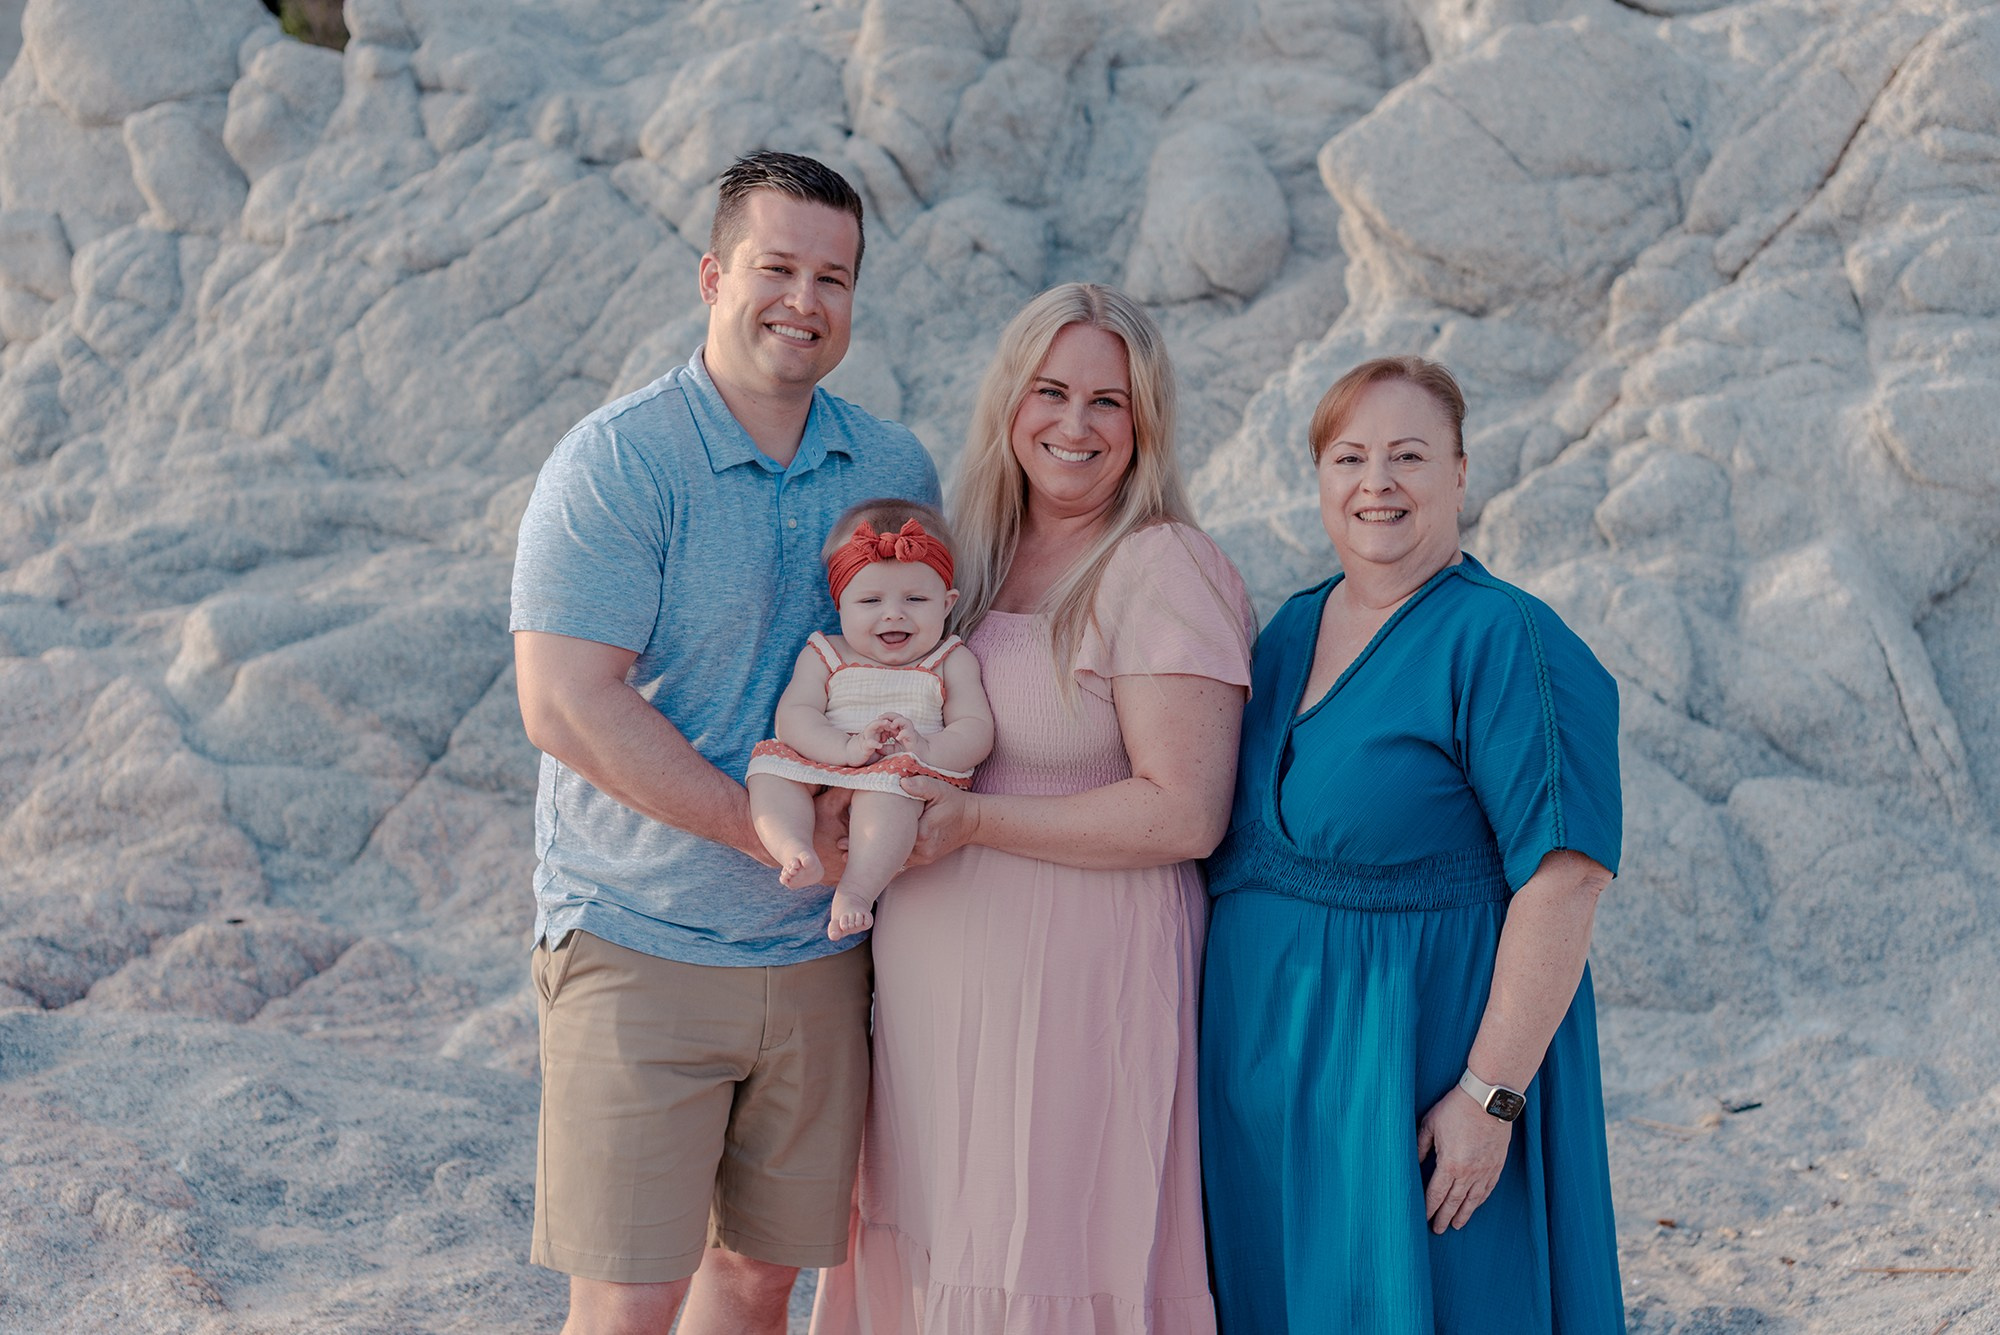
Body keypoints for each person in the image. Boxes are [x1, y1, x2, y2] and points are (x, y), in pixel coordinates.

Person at [509, 151, 939, 1335]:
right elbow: (563, 703)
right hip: (639, 934)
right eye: (777, 268)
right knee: (628, 1295)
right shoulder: (618, 461)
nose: (803, 300)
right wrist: (766, 831)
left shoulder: (892, 466)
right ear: (713, 276)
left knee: (756, 1283)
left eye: (833, 277)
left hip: (815, 957)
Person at [811, 282, 1256, 1335]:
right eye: (1050, 391)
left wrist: (972, 824)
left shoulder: (1161, 565)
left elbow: (1184, 813)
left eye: (1108, 401)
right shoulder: (965, 562)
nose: (1074, 423)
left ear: (1144, 421)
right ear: (1009, 402)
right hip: (931, 995)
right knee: (939, 1241)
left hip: (1080, 990)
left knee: (1046, 1260)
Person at [1198, 355, 1626, 1332]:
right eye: (1347, 457)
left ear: (1461, 472)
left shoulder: (1507, 639)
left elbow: (1565, 879)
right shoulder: (1286, 631)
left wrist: (1489, 1100)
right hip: (1266, 1102)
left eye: (1407, 456)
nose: (1374, 483)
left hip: (1418, 1091)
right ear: (1316, 479)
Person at [747, 499, 994, 940]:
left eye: (916, 598)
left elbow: (975, 727)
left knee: (890, 797)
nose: (894, 613)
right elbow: (795, 715)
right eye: (870, 600)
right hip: (828, 755)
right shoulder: (825, 652)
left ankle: (857, 889)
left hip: (899, 768)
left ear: (947, 602)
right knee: (768, 771)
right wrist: (844, 748)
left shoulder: (949, 658)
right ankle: (794, 847)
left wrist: (927, 748)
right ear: (839, 603)